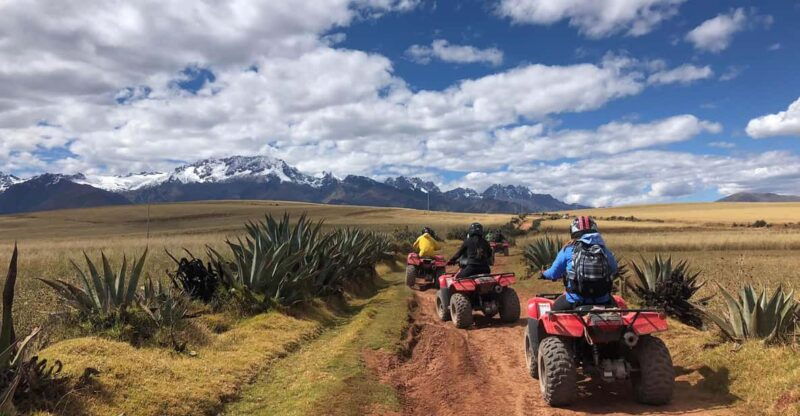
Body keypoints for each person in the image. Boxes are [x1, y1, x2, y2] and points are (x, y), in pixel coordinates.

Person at [541, 216, 618, 311]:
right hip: (603, 301)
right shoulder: (604, 250)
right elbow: (614, 269)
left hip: (575, 301)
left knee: (552, 315)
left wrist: (544, 274)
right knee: (619, 314)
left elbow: (553, 273)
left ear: (573, 232)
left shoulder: (568, 250)